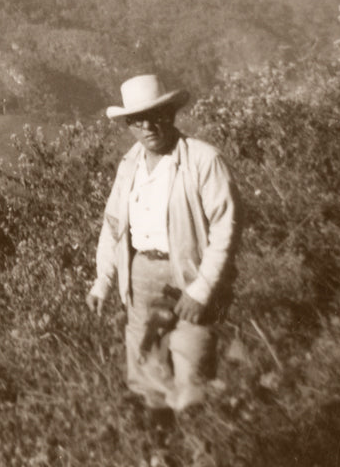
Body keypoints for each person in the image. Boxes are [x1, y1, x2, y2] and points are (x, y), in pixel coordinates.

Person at [87, 74, 240, 422]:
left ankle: (200, 446)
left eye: (156, 115)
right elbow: (113, 227)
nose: (148, 126)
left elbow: (226, 228)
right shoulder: (129, 166)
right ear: (128, 124)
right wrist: (103, 281)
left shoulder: (203, 160)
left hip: (189, 273)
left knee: (192, 370)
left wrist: (202, 290)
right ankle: (158, 449)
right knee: (148, 371)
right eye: (137, 119)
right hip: (141, 274)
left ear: (171, 114)